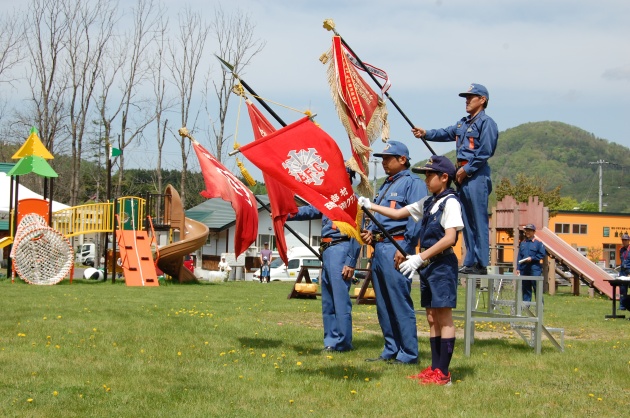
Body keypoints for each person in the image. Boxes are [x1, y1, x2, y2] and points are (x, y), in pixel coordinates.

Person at [360, 155, 463, 385]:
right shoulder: (429, 201)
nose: (426, 179)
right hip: (428, 264)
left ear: (444, 177)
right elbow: (398, 213)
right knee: (431, 317)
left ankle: (444, 373)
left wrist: (420, 256)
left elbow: (450, 238)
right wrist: (370, 205)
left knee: (444, 318)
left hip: (442, 264)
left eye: (430, 174)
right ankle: (435, 367)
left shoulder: (451, 202)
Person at [412, 83, 498, 275]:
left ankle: (481, 263)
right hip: (462, 175)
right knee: (466, 220)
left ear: (482, 100)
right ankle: (470, 260)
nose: (467, 100)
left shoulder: (487, 123)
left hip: (476, 174)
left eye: (471, 97)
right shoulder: (463, 123)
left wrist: (467, 169)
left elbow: (486, 151)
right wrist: (426, 133)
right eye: (466, 97)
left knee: (478, 219)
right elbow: (445, 132)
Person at [359, 141, 427, 364]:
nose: (384, 162)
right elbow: (378, 217)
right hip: (380, 248)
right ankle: (391, 349)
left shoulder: (412, 183)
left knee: (398, 301)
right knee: (384, 304)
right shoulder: (386, 185)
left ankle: (408, 353)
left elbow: (416, 218)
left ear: (403, 160)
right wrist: (369, 232)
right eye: (383, 158)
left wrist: (405, 248)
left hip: (396, 247)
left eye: (389, 158)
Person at [286, 168, 361, 352]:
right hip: (327, 250)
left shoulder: (354, 201)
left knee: (340, 299)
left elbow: (358, 233)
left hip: (341, 247)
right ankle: (331, 341)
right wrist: (284, 214)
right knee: (328, 299)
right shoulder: (329, 200)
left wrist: (351, 261)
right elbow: (309, 211)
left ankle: (343, 343)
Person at [515, 224, 546, 302]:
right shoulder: (523, 243)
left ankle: (539, 307)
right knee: (525, 288)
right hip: (524, 269)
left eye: (529, 230)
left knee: (537, 288)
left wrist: (532, 258)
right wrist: (518, 268)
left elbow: (542, 254)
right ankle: (526, 307)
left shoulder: (538, 243)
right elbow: (519, 256)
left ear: (534, 232)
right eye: (526, 230)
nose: (527, 232)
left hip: (534, 269)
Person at [618, 233, 630, 310]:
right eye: (623, 240)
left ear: (628, 240)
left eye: (625, 240)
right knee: (622, 289)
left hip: (629, 271)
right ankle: (622, 306)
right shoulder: (621, 250)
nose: (624, 241)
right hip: (622, 271)